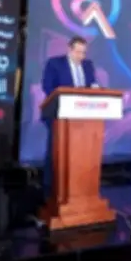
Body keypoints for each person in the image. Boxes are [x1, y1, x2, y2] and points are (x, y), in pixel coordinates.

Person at [40, 36, 98, 197]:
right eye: (78, 52)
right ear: (69, 50)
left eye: (84, 53)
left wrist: (95, 88)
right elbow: (47, 87)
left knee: (82, 152)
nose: (81, 56)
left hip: (83, 117)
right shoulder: (55, 63)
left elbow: (92, 84)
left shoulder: (88, 65)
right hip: (58, 116)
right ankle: (50, 189)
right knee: (55, 152)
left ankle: (78, 189)